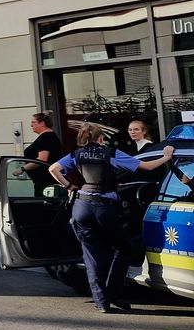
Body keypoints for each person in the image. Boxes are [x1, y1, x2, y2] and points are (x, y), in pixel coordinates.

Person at [48, 123, 174, 313]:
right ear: (101, 138)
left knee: (92, 256)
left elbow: (53, 169)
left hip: (82, 207)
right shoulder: (111, 153)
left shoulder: (76, 155)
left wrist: (69, 186)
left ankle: (101, 301)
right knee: (123, 249)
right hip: (105, 208)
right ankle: (113, 292)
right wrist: (166, 156)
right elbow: (147, 166)